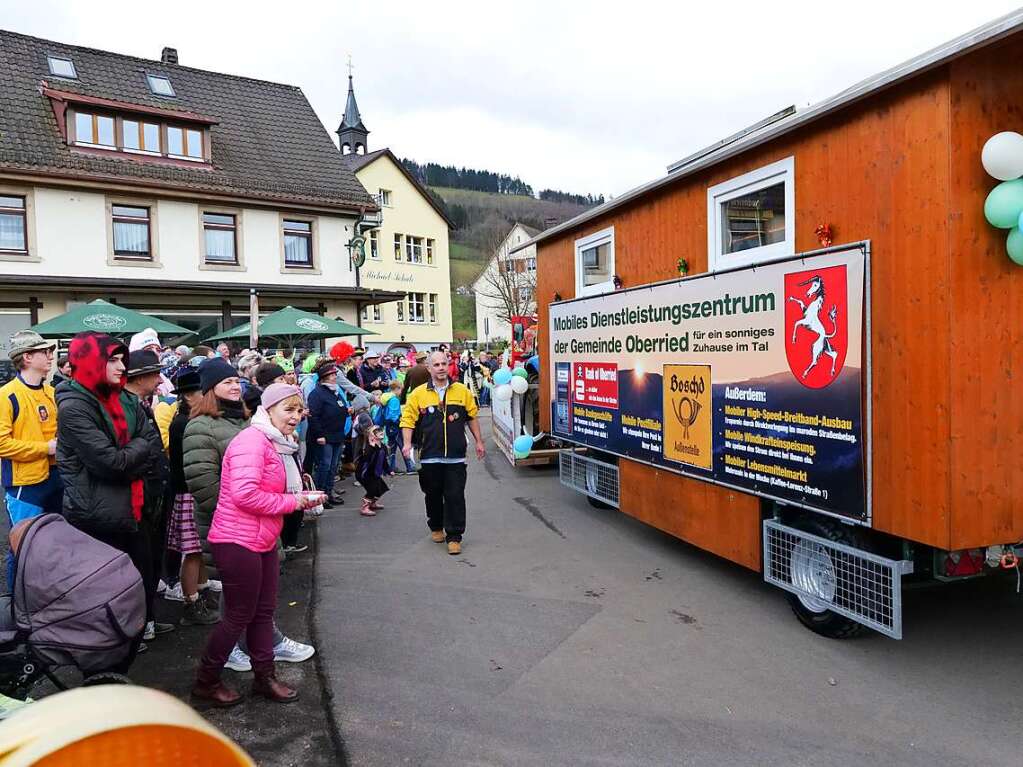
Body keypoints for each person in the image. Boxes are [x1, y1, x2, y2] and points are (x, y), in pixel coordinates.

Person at [192, 384, 326, 707]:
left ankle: (264, 678)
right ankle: (205, 682)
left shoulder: (273, 442)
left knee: (263, 612)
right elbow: (245, 495)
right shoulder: (253, 442)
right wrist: (295, 501)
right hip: (237, 540)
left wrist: (298, 500)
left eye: (298, 410)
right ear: (268, 410)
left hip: (261, 538)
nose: (295, 417)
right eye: (288, 410)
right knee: (238, 615)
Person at [56, 332, 164, 646]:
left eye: (122, 359)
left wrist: (133, 452)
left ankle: (133, 634)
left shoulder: (126, 398)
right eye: (112, 360)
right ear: (90, 363)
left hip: (135, 507)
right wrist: (137, 450)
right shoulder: (74, 407)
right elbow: (110, 463)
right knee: (106, 590)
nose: (121, 367)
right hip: (98, 517)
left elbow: (153, 446)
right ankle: (109, 650)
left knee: (141, 579)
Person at [400, 351, 486, 556]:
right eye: (436, 364)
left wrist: (479, 441)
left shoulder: (462, 391)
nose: (440, 368)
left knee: (455, 495)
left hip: (456, 455)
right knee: (433, 494)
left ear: (449, 366)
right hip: (429, 455)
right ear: (428, 368)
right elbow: (407, 420)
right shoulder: (418, 394)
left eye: (444, 364)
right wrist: (406, 444)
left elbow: (471, 417)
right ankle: (436, 525)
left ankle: (455, 536)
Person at [0, 331, 60, 588]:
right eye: (44, 352)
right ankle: (18, 605)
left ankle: (51, 598)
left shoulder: (52, 391)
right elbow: (2, 443)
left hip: (57, 478)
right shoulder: (7, 395)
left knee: (57, 542)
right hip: (25, 484)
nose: (50, 356)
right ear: (27, 357)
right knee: (23, 546)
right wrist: (44, 448)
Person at [124, 350, 175, 642]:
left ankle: (149, 620)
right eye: (155, 373)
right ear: (140, 376)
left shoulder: (140, 404)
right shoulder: (127, 407)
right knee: (141, 562)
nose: (159, 379)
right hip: (141, 498)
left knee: (151, 561)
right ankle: (140, 626)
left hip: (153, 494)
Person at [163, 369, 218, 626]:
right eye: (200, 392)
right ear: (186, 395)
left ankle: (202, 590)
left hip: (191, 491)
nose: (206, 396)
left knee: (201, 548)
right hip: (187, 492)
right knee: (193, 552)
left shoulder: (189, 419)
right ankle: (191, 601)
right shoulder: (182, 423)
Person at [306, 360, 347, 507]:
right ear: (324, 378)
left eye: (335, 374)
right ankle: (320, 496)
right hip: (325, 436)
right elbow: (313, 416)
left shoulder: (334, 391)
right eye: (332, 375)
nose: (335, 377)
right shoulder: (317, 394)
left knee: (333, 466)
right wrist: (319, 435)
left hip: (337, 434)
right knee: (325, 466)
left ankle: (329, 493)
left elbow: (341, 406)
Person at [355, 422, 389, 517]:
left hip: (375, 473)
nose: (381, 432)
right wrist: (371, 446)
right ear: (372, 435)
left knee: (381, 488)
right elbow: (365, 459)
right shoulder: (369, 448)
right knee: (372, 489)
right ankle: (365, 507)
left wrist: (389, 470)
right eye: (377, 432)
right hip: (365, 473)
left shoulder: (383, 447)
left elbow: (384, 461)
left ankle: (372, 503)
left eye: (381, 431)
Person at [380, 380, 406, 474]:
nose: (401, 392)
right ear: (397, 389)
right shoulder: (394, 399)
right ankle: (409, 466)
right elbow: (393, 415)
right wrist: (399, 421)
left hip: (389, 426)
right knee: (402, 445)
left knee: (392, 447)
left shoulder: (386, 397)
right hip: (394, 425)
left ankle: (391, 467)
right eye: (401, 389)